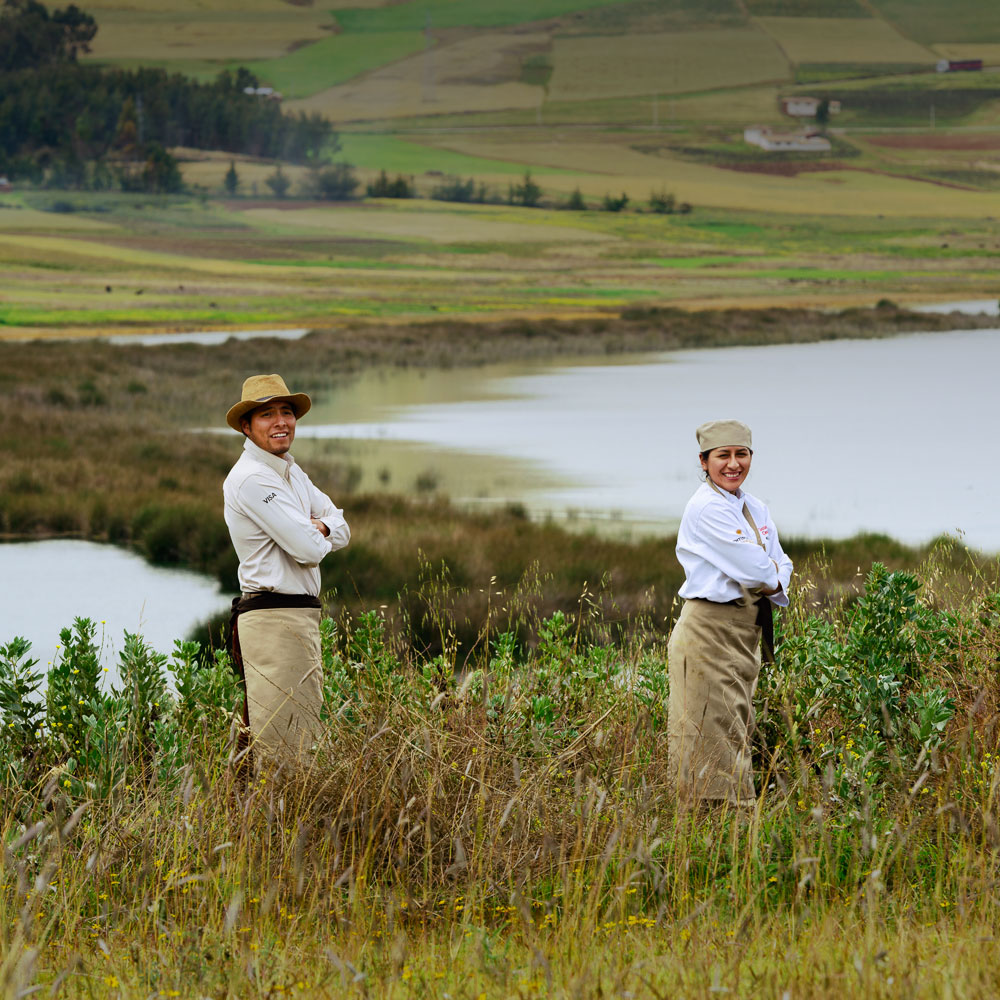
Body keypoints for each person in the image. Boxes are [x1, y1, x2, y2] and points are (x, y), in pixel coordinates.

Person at [223, 373, 350, 764]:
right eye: (266, 414)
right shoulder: (252, 478)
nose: (281, 422)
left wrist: (323, 524)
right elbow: (308, 549)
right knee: (284, 751)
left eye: (286, 412)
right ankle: (269, 824)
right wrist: (315, 529)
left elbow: (341, 528)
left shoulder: (291, 472)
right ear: (247, 426)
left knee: (303, 739)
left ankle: (270, 822)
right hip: (273, 617)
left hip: (296, 616)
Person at [667, 419, 792, 809]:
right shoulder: (706, 509)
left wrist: (771, 573)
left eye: (742, 454)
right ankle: (719, 835)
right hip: (707, 635)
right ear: (704, 462)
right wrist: (770, 574)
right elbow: (760, 571)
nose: (733, 464)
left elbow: (781, 564)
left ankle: (727, 841)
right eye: (723, 456)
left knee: (736, 730)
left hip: (742, 636)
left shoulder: (754, 507)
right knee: (709, 737)